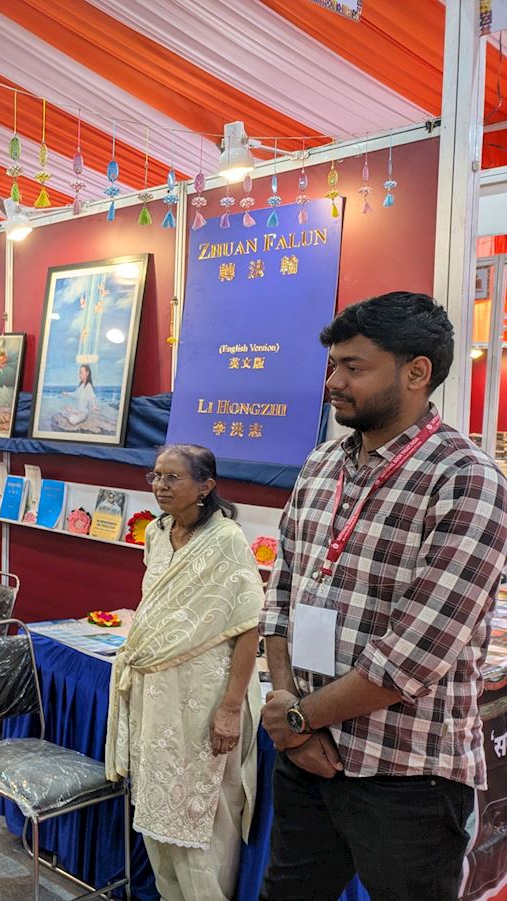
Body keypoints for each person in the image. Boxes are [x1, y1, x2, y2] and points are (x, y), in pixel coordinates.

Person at [259, 292, 507, 900]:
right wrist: (292, 713)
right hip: (307, 757)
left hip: (405, 775)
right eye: (333, 365)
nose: (333, 383)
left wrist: (297, 719)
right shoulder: (322, 464)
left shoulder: (466, 480)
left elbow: (413, 657)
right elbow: (280, 597)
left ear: (416, 372)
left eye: (354, 367)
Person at [103, 445, 261, 900]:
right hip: (155, 693)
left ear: (206, 486)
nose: (160, 486)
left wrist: (230, 708)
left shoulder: (226, 540)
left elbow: (249, 624)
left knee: (200, 812)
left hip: (203, 696)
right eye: (155, 476)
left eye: (172, 478)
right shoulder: (157, 532)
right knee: (156, 805)